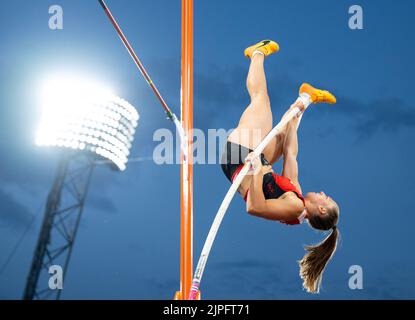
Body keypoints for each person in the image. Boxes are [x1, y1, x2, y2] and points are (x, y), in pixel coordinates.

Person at [220, 40, 340, 293]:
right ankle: (306, 97)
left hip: (241, 159)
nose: (322, 192)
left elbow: (254, 207)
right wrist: (297, 112)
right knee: (285, 132)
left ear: (320, 208)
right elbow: (290, 153)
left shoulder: (294, 206)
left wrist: (253, 171)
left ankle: (256, 53)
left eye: (325, 198)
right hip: (253, 160)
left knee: (260, 100)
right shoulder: (295, 195)